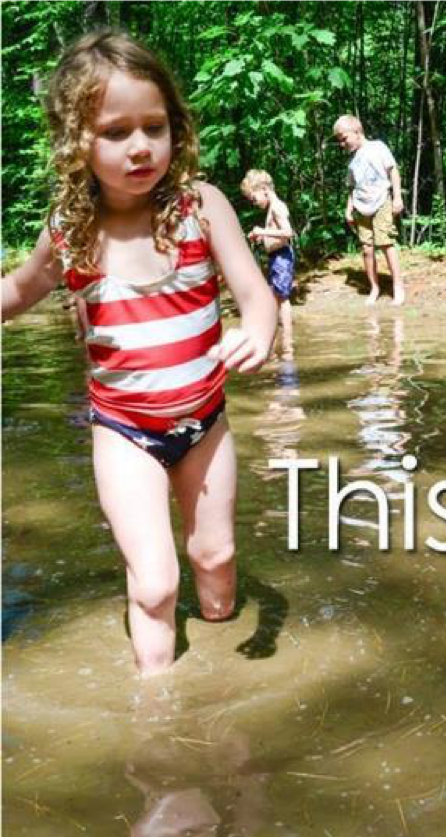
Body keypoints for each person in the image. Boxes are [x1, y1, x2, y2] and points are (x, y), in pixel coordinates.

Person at [1, 29, 276, 677]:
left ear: (175, 128)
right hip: (124, 433)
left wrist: (259, 329)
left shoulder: (200, 209)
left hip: (205, 424)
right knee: (153, 583)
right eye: (116, 131)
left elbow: (256, 295)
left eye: (154, 126)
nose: (140, 146)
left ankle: (225, 672)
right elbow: (16, 289)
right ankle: (158, 709)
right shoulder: (71, 234)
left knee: (214, 558)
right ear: (78, 143)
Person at [333, 114, 406, 305]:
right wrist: (348, 209)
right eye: (339, 141)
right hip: (361, 207)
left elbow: (393, 171)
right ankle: (374, 287)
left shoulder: (378, 147)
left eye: (344, 139)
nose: (342, 144)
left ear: (357, 132)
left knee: (386, 244)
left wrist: (397, 197)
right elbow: (352, 188)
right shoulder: (352, 162)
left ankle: (398, 286)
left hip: (381, 201)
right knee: (367, 249)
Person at [241, 169, 296, 358]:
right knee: (275, 297)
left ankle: (287, 340)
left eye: (254, 199)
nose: (254, 204)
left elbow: (288, 233)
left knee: (282, 297)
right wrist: (259, 235)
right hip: (276, 257)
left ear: (264, 189)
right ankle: (278, 333)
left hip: (282, 257)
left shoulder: (277, 207)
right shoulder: (272, 207)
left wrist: (262, 232)